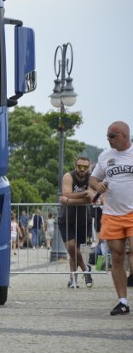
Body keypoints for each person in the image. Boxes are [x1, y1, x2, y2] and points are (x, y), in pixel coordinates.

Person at [89, 121, 133, 315]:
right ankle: (122, 302)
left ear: (124, 136)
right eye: (107, 136)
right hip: (112, 214)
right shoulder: (105, 156)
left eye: (111, 136)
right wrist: (97, 186)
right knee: (116, 256)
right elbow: (93, 178)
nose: (107, 139)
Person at [58, 156, 94, 289]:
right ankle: (86, 271)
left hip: (84, 220)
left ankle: (72, 278)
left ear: (88, 168)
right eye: (80, 166)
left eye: (85, 167)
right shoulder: (68, 176)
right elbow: (65, 193)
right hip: (66, 218)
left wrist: (69, 200)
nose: (82, 170)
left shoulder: (91, 178)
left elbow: (90, 198)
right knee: (71, 247)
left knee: (76, 251)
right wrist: (83, 194)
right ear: (75, 166)